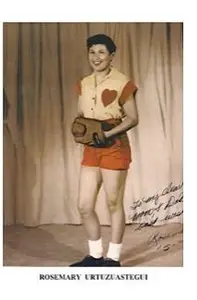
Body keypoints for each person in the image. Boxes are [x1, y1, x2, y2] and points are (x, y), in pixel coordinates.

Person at [70, 34, 139, 267]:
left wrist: (106, 134)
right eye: (92, 52)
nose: (96, 57)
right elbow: (82, 115)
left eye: (101, 52)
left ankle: (113, 259)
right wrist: (81, 130)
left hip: (114, 145)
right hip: (92, 147)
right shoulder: (84, 83)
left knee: (113, 203)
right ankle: (95, 255)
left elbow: (133, 118)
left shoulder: (122, 82)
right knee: (84, 205)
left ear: (111, 55)